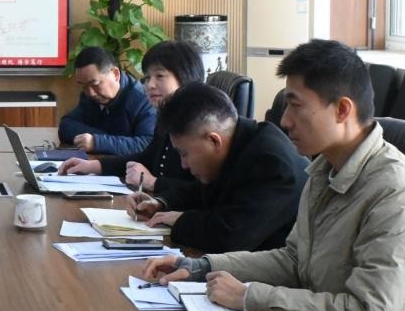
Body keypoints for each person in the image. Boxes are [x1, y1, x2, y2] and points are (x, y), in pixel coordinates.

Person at [144, 39, 405, 311]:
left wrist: (249, 297)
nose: (284, 120)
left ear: (342, 109)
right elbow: (294, 260)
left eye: (295, 105)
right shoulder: (324, 171)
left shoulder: (398, 196)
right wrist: (202, 267)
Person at [123, 83, 306, 253]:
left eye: (184, 154)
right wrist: (160, 203)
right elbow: (200, 192)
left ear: (213, 140)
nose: (183, 164)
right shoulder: (238, 141)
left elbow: (231, 237)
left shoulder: (271, 164)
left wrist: (179, 220)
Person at [59, 40, 203, 189]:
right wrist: (93, 166)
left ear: (185, 76)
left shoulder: (200, 124)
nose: (150, 85)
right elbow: (147, 157)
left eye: (159, 76)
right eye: (147, 78)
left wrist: (153, 183)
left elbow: (205, 192)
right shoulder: (167, 115)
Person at [58, 46, 156, 155]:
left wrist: (98, 142)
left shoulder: (143, 99)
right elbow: (66, 126)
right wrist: (105, 139)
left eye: (95, 84)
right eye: (84, 86)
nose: (90, 93)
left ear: (115, 74)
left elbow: (148, 144)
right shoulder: (90, 95)